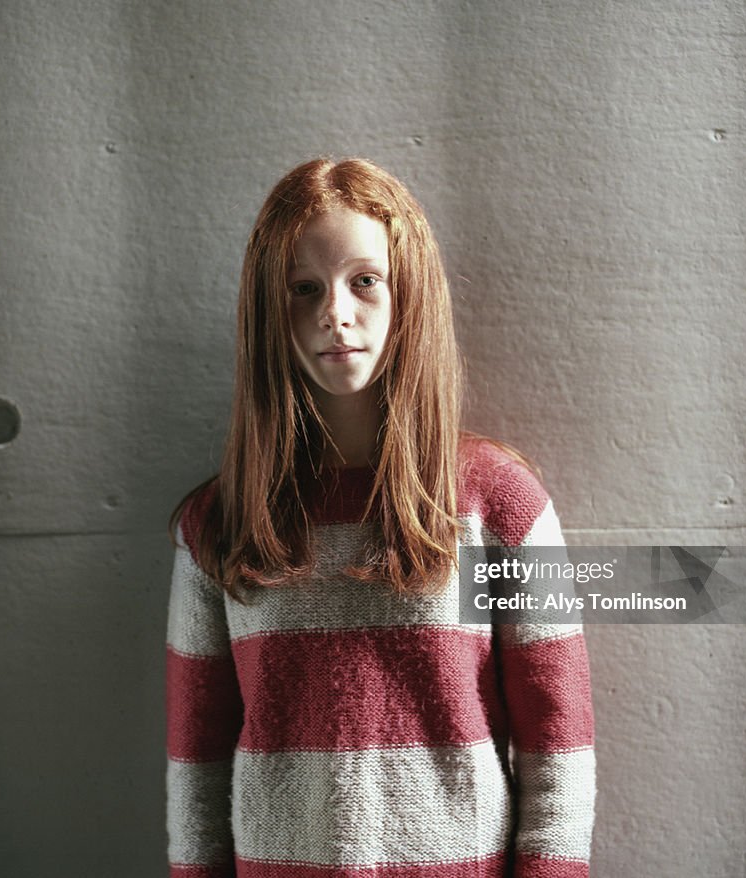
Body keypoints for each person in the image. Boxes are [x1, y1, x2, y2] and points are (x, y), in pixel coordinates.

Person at [166, 157, 595, 878]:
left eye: (365, 280)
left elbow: (560, 749)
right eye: (304, 289)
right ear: (271, 310)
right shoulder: (218, 525)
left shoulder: (500, 506)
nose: (335, 311)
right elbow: (195, 769)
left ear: (410, 292)